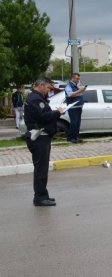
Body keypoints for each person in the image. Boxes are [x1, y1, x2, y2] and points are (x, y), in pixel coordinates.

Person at [24, 77, 65, 206]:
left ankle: (43, 195)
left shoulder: (35, 98)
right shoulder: (35, 99)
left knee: (42, 168)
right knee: (41, 169)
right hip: (39, 138)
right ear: (41, 85)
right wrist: (58, 113)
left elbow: (43, 114)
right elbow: (44, 116)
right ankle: (40, 198)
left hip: (41, 137)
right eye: (48, 88)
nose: (49, 90)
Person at [64, 72, 86, 144]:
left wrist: (82, 89)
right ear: (72, 78)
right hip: (72, 107)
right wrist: (80, 90)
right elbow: (70, 95)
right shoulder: (68, 86)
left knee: (78, 123)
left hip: (78, 107)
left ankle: (76, 137)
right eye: (77, 78)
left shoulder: (77, 85)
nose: (78, 80)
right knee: (74, 122)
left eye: (79, 78)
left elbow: (79, 93)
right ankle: (71, 138)